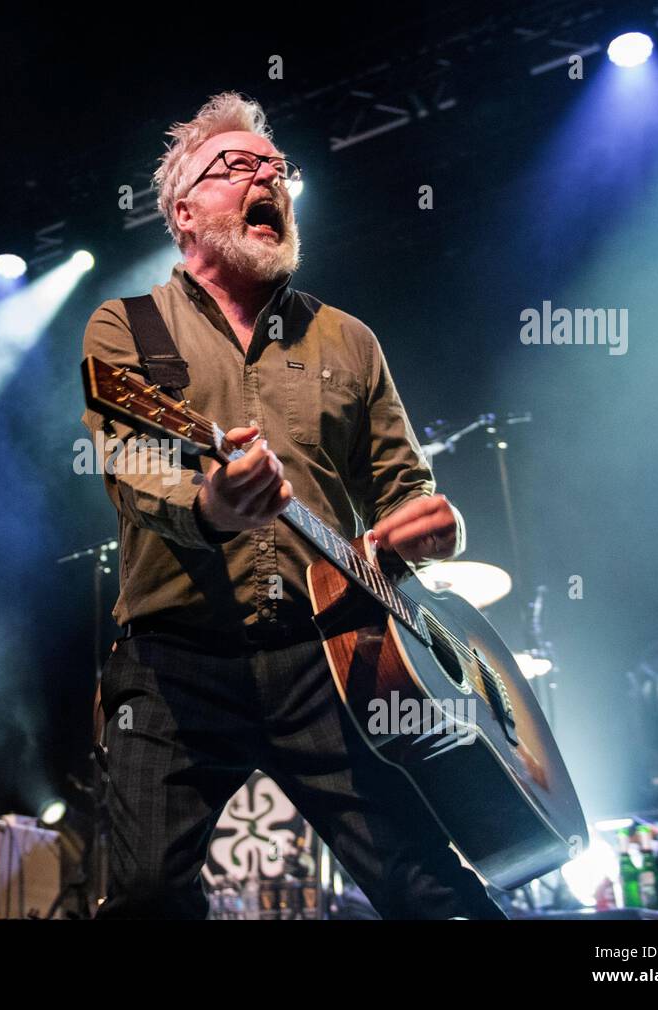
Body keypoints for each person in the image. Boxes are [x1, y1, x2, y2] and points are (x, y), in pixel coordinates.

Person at [81, 92, 505, 919]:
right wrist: (210, 506)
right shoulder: (126, 327)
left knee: (429, 887)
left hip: (329, 656)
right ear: (184, 211)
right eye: (238, 167)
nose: (267, 179)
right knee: (141, 895)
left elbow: (405, 486)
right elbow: (133, 468)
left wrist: (439, 526)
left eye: (277, 170)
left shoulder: (348, 339)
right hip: (177, 661)